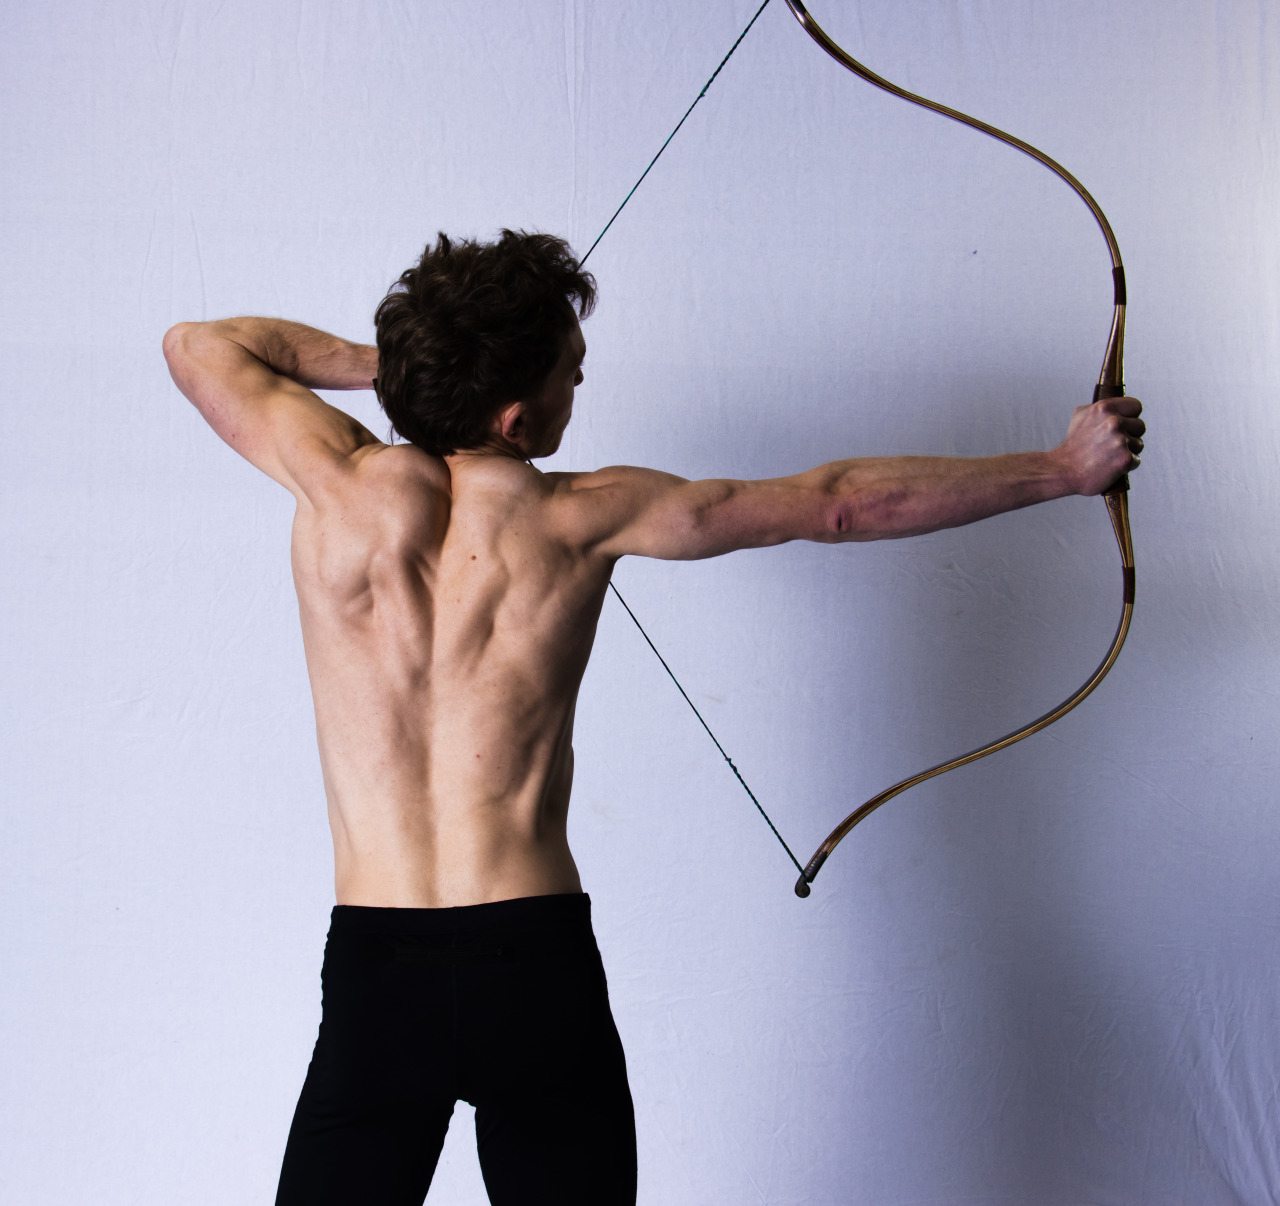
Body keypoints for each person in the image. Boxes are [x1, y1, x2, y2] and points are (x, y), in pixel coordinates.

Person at [162, 229, 1144, 1206]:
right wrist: (1061, 467)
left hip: (378, 966)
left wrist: (432, 365)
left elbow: (196, 344)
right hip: (530, 961)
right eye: (567, 376)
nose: (576, 387)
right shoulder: (580, 515)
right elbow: (834, 504)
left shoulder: (329, 483)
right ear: (513, 416)